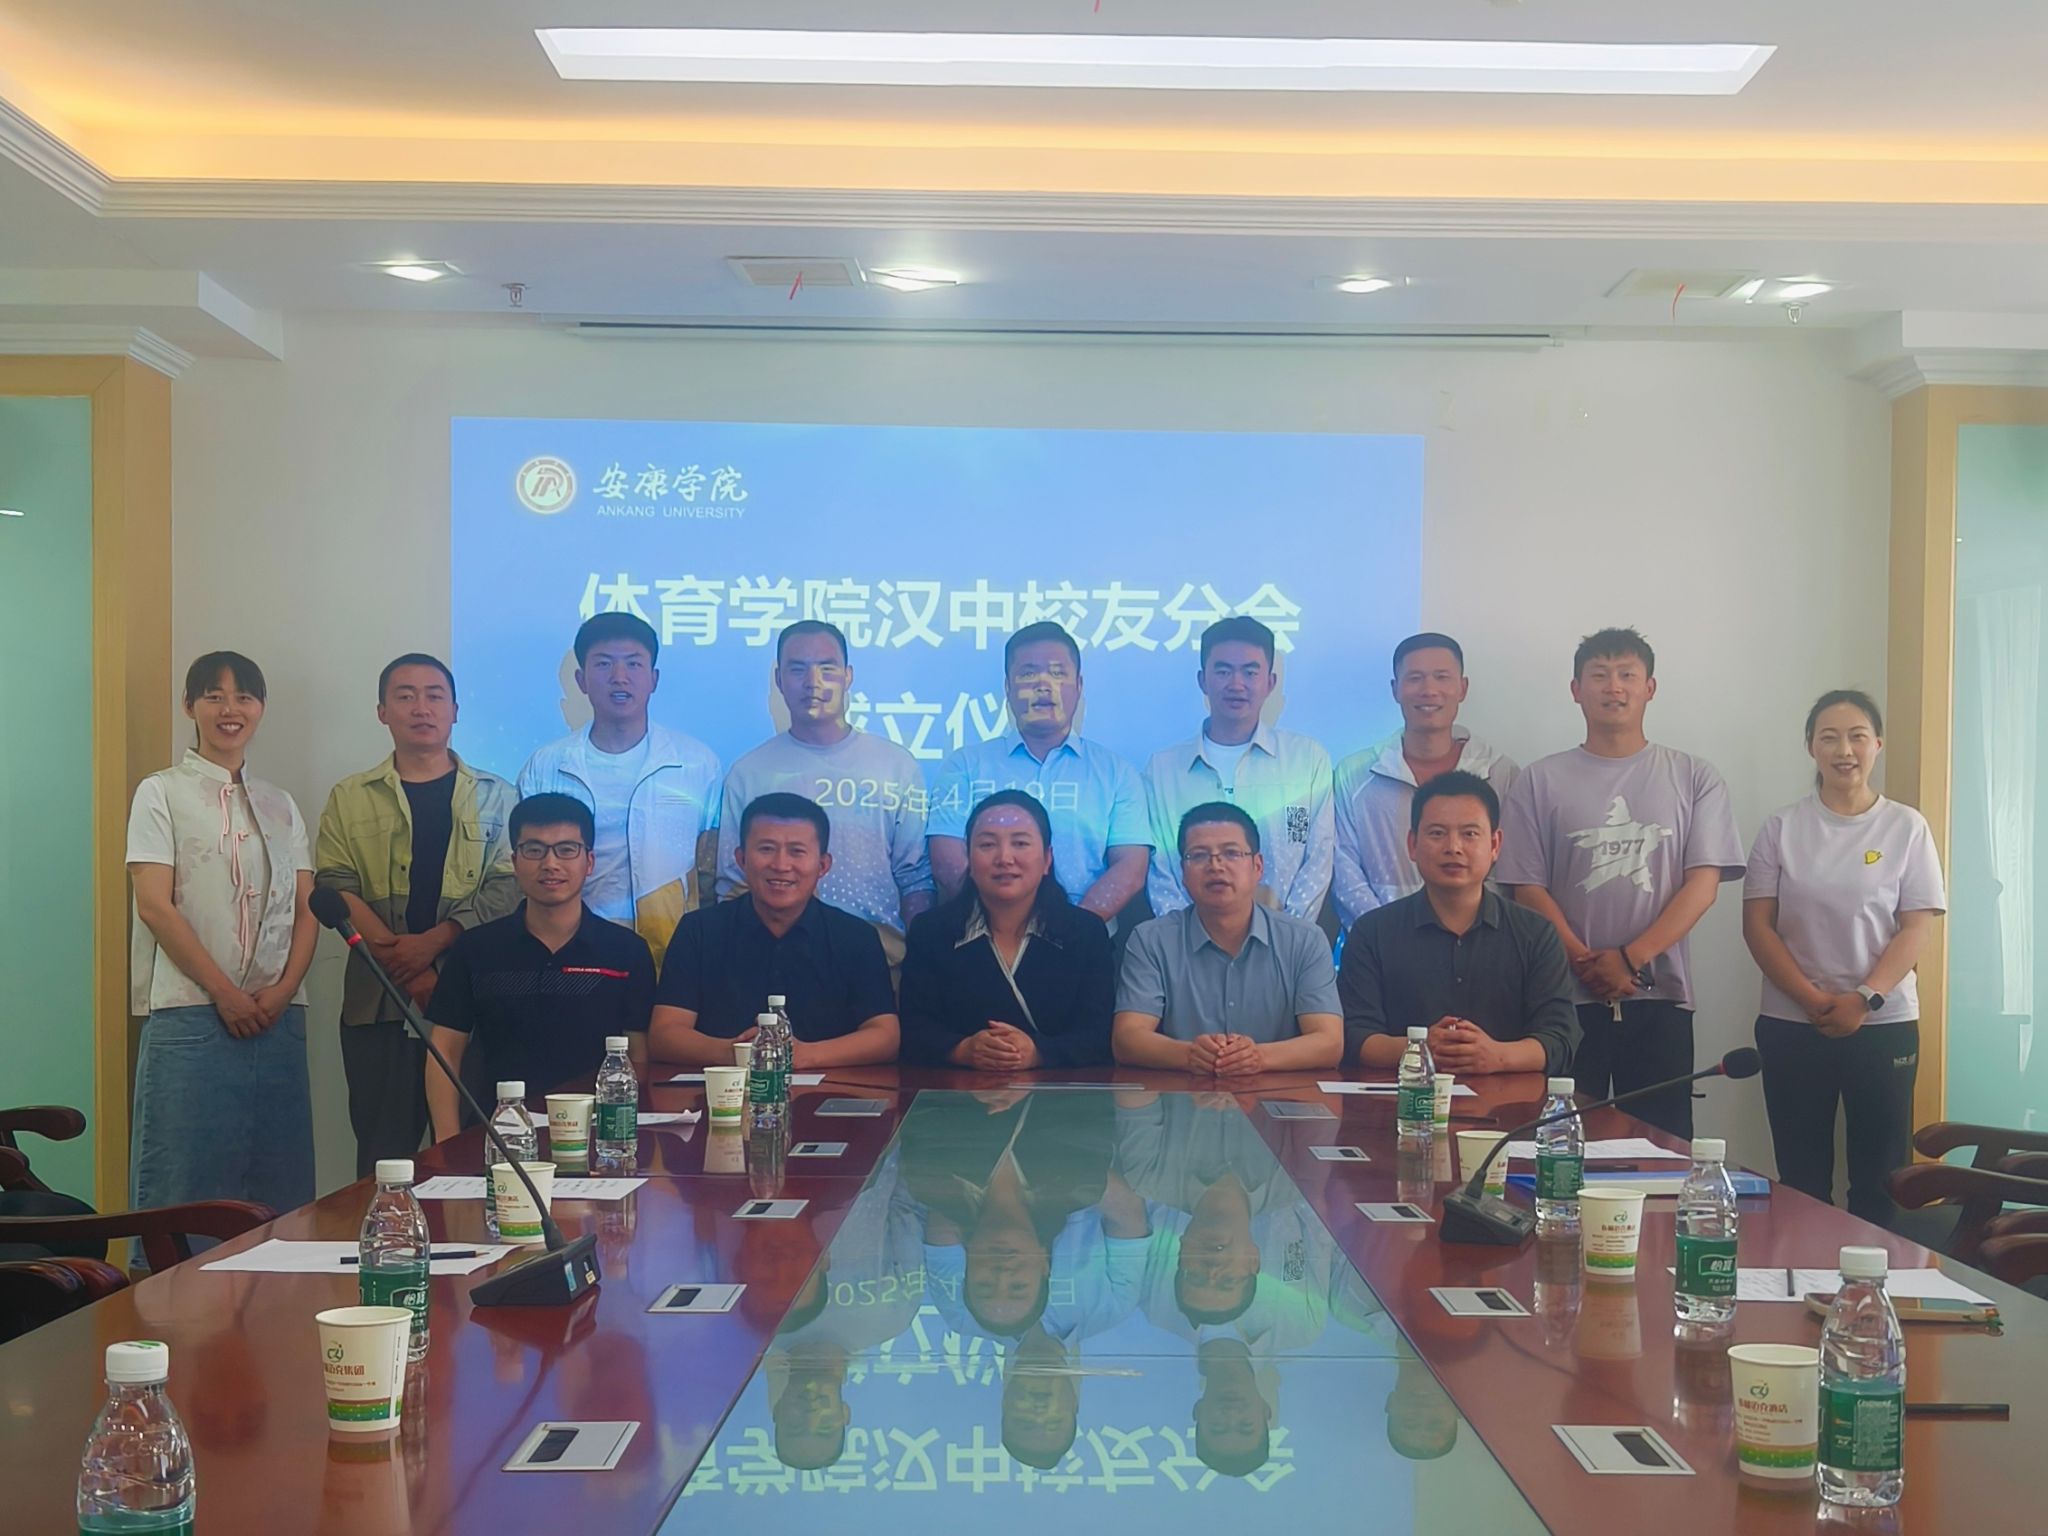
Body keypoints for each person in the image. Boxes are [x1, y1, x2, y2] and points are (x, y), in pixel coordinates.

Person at [1497, 628, 1745, 1140]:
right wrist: (1585, 962)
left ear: (1649, 687)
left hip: (1660, 998)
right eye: (1600, 675)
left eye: (1627, 675)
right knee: (1558, 1143)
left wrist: (1631, 958)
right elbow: (1526, 888)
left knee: (1660, 1148)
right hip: (1564, 999)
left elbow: (1703, 885)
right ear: (1575, 689)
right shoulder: (1538, 780)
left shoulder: (1694, 776)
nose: (1614, 687)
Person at [126, 652, 316, 1222]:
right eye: (214, 696)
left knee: (279, 1191)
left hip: (277, 1016)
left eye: (243, 697)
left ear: (261, 708)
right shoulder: (160, 792)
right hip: (191, 1012)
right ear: (189, 706)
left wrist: (283, 991)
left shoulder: (281, 804)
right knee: (184, 1189)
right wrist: (226, 994)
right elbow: (154, 905)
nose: (230, 709)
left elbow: (308, 908)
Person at [1743, 690, 1945, 1224]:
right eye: (1829, 738)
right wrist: (1811, 999)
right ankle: (1804, 1275)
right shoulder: (1781, 827)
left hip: (1883, 1023)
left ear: (1877, 744)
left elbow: (1916, 926)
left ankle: (1878, 1279)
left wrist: (1864, 997)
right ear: (1810, 747)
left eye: (1857, 736)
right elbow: (1757, 926)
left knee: (1882, 1181)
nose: (1844, 750)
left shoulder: (1906, 826)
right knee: (1802, 1181)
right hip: (1792, 1022)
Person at [315, 653, 519, 1176]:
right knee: (384, 1159)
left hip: (473, 1001)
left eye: (434, 696)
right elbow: (335, 886)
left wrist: (435, 943)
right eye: (404, 696)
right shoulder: (350, 797)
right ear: (382, 711)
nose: (420, 708)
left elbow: (507, 887)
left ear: (455, 710)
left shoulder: (497, 796)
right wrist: (406, 967)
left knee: (475, 1153)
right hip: (379, 1004)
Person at [423, 793, 653, 1137]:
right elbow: (445, 1049)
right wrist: (446, 1140)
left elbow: (639, 1057)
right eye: (534, 850)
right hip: (499, 1135)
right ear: (515, 861)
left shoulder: (626, 952)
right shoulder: (476, 949)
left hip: (598, 1137)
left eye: (566, 849)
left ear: (589, 861)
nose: (550, 863)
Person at [714, 620, 933, 963]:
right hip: (771, 963)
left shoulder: (896, 766)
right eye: (797, 669)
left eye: (826, 668)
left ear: (848, 676)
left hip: (879, 963)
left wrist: (920, 961)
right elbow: (732, 882)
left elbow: (915, 879)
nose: (812, 682)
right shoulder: (748, 772)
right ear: (779, 680)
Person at [517, 611, 721, 972]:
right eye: (603, 664)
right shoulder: (547, 765)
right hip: (570, 952)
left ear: (654, 679)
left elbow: (710, 872)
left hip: (672, 953)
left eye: (633, 663)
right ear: (581, 680)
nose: (619, 677)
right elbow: (525, 866)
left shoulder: (696, 764)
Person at [1341, 770, 1578, 1075]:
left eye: (1469, 834)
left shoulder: (1536, 934)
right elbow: (1354, 1036)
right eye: (1437, 833)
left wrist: (1496, 1056)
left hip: (1510, 1101)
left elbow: (1560, 1038)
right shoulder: (1372, 932)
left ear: (1495, 844)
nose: (1453, 847)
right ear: (1412, 844)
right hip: (1402, 1099)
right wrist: (1421, 1048)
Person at [651, 793, 900, 1069]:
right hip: (721, 1088)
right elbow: (664, 1034)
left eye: (797, 851)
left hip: (828, 1086)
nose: (781, 865)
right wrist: (744, 1053)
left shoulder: (856, 937)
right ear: (741, 859)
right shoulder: (699, 930)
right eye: (766, 849)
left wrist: (803, 1055)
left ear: (823, 865)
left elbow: (885, 1036)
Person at [926, 622, 1151, 923]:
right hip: (981, 937)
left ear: (1079, 686)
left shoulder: (1117, 773)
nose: (1044, 685)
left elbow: (1130, 867)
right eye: (1028, 674)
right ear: (1008, 688)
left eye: (1057, 673)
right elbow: (947, 859)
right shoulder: (964, 765)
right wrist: (1006, 925)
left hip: (1084, 940)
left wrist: (1071, 930)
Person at [1113, 803, 1342, 1074]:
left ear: (1257, 866)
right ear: (1183, 872)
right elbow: (1127, 1039)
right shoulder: (1151, 940)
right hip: (1182, 1094)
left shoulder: (1304, 940)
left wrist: (1258, 1057)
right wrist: (1189, 1054)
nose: (1215, 865)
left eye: (1231, 853)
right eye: (1199, 856)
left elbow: (1329, 1042)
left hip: (1278, 1094)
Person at [900, 790, 1116, 1070]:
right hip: (956, 1088)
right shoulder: (931, 931)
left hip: (1057, 1090)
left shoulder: (1086, 933)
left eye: (1020, 843)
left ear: (1047, 859)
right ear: (969, 859)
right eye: (987, 845)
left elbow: (1098, 1036)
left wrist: (1039, 1053)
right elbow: (914, 1030)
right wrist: (962, 1050)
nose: (1004, 858)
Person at [1143, 616, 1333, 920]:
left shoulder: (1307, 760)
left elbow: (1318, 861)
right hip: (1187, 943)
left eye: (1250, 672)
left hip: (1285, 940)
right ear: (1202, 680)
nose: (1236, 684)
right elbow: (1161, 870)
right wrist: (1187, 938)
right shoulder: (1163, 769)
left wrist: (1287, 935)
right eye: (1223, 671)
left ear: (1270, 683)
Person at [1332, 632, 1518, 929]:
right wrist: (1387, 935)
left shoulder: (1499, 772)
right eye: (1415, 678)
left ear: (1463, 687)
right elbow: (1345, 872)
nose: (1429, 690)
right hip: (1377, 943)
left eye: (1442, 677)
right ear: (1395, 689)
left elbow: (1507, 871)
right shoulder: (1354, 774)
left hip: (1478, 941)